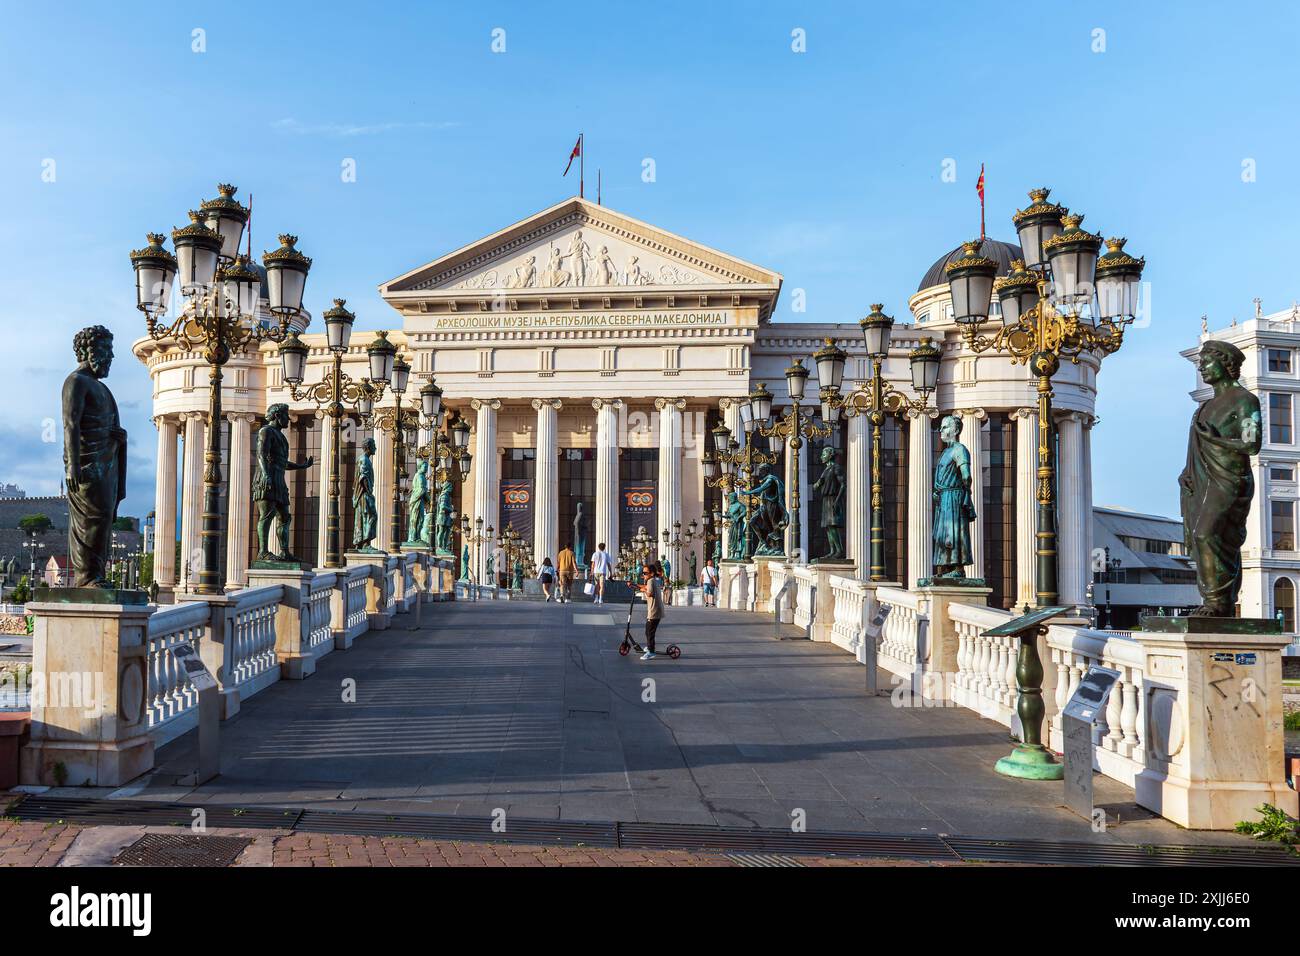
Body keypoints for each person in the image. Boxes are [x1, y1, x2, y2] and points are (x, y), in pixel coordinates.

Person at [639, 560, 666, 661]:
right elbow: (646, 588)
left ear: (652, 573)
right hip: (657, 610)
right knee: (648, 630)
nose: (644, 575)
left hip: (654, 611)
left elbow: (649, 593)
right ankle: (649, 646)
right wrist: (637, 586)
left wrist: (643, 589)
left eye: (645, 573)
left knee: (650, 632)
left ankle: (651, 651)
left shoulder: (650, 581)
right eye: (643, 573)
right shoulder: (653, 580)